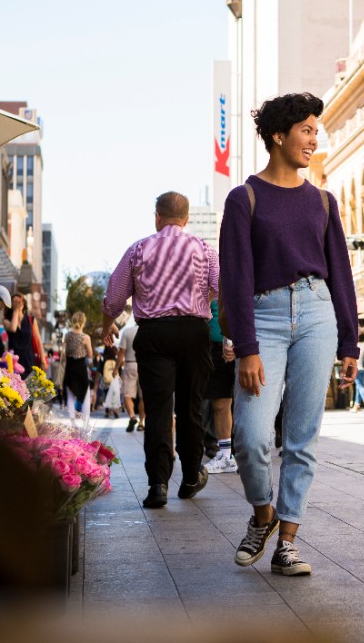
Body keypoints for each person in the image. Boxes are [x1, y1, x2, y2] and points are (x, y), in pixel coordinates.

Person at [220, 92, 358, 577]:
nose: (313, 139)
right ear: (278, 136)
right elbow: (234, 278)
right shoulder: (245, 198)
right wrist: (246, 347)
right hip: (265, 316)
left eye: (315, 131)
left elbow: (339, 272)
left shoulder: (322, 200)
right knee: (251, 435)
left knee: (302, 438)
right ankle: (263, 515)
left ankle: (288, 543)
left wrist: (348, 342)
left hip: (317, 314)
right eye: (305, 130)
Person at [103, 191, 219, 510]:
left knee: (157, 410)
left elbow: (114, 298)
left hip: (153, 334)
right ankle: (192, 476)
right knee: (190, 407)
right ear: (187, 218)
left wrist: (104, 328)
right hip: (194, 332)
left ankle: (158, 484)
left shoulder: (138, 249)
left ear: (157, 216)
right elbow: (223, 289)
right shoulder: (204, 249)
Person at [204, 298, 237, 473]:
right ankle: (226, 455)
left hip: (236, 342)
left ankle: (246, 452)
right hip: (212, 345)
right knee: (220, 403)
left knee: (240, 401)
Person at [5, 292, 44, 379]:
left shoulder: (31, 319)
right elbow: (13, 328)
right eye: (15, 301)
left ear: (24, 303)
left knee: (29, 388)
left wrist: (43, 360)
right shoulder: (7, 320)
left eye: (20, 301)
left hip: (29, 358)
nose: (18, 303)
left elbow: (38, 340)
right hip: (14, 359)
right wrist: (15, 310)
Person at [62, 311, 93, 416]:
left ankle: (72, 421)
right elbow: (90, 354)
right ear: (83, 322)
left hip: (69, 367)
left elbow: (63, 353)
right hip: (81, 367)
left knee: (70, 394)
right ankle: (85, 421)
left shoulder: (67, 336)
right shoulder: (85, 337)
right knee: (85, 393)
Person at [118, 315, 141, 431]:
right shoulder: (145, 331)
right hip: (143, 364)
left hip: (130, 363)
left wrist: (116, 368)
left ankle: (132, 416)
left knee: (127, 394)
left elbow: (122, 351)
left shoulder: (127, 332)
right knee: (143, 396)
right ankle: (142, 422)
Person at [350, 333, 364, 413]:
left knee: (360, 386)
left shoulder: (354, 345)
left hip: (356, 368)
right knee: (359, 386)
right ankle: (356, 407)